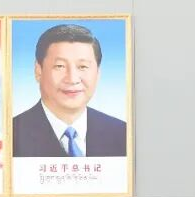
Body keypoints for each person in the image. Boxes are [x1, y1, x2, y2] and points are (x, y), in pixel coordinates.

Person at [12, 24, 126, 158]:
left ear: (98, 73)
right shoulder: (12, 134)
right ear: (38, 71)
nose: (72, 79)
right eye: (60, 66)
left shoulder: (122, 133)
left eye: (83, 66)